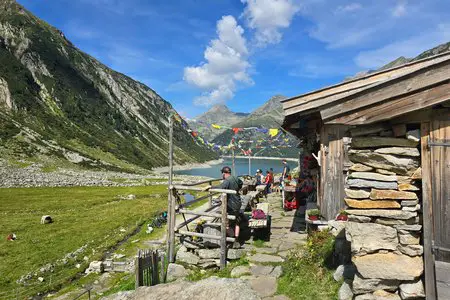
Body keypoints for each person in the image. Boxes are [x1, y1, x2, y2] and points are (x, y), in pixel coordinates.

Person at [205, 166, 242, 246]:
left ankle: (232, 239)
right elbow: (241, 183)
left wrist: (211, 187)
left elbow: (220, 187)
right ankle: (237, 237)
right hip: (237, 202)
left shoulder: (227, 180)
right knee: (237, 221)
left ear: (224, 173)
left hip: (231, 204)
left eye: (222, 173)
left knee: (226, 223)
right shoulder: (235, 177)